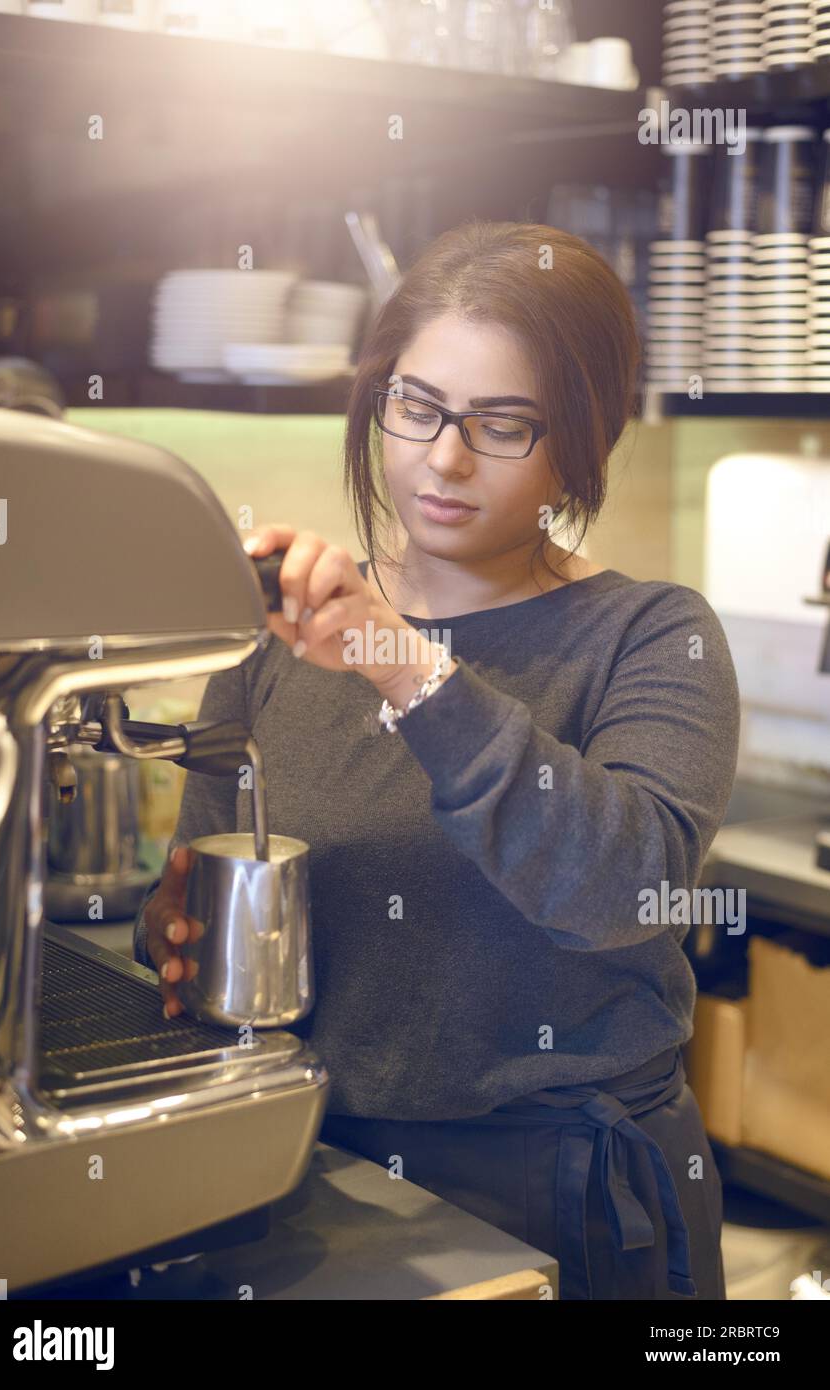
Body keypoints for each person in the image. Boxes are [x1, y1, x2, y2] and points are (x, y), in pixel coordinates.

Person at [134, 221, 739, 1300]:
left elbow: (624, 886)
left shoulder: (651, 635)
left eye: (503, 424)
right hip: (312, 1168)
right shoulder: (275, 638)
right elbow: (197, 896)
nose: (445, 458)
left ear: (581, 439)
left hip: (563, 1189)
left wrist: (400, 661)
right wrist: (175, 934)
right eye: (417, 408)